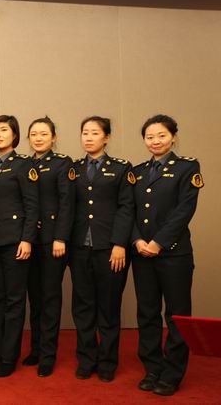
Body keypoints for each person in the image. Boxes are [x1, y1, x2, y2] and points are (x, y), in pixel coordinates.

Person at [131, 115, 203, 396]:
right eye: (149, 137)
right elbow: (129, 210)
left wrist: (158, 242)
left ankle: (172, 373)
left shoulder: (187, 167)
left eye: (161, 135)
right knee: (147, 313)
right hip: (142, 253)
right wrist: (137, 240)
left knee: (176, 315)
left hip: (174, 254)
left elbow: (184, 210)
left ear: (173, 137)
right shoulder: (137, 172)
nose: (155, 141)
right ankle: (152, 368)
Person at [69, 116, 134, 383]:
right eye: (85, 132)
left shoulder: (121, 168)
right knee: (83, 307)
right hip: (79, 247)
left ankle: (107, 362)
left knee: (108, 307)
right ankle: (86, 359)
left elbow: (127, 208)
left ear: (106, 137)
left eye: (94, 133)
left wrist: (119, 244)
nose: (88, 137)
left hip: (110, 248)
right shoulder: (73, 169)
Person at [0, 115, 39, 378]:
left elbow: (32, 206)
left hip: (15, 242)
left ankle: (9, 357)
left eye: (4, 130)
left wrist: (27, 239)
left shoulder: (24, 165)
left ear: (14, 135)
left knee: (14, 300)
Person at [23, 117, 76, 377]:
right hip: (29, 240)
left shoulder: (62, 163)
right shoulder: (24, 164)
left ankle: (48, 355)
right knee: (34, 297)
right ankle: (35, 349)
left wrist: (61, 237)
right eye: (34, 134)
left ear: (53, 138)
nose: (38, 138)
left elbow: (67, 202)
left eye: (44, 134)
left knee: (50, 297)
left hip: (53, 240)